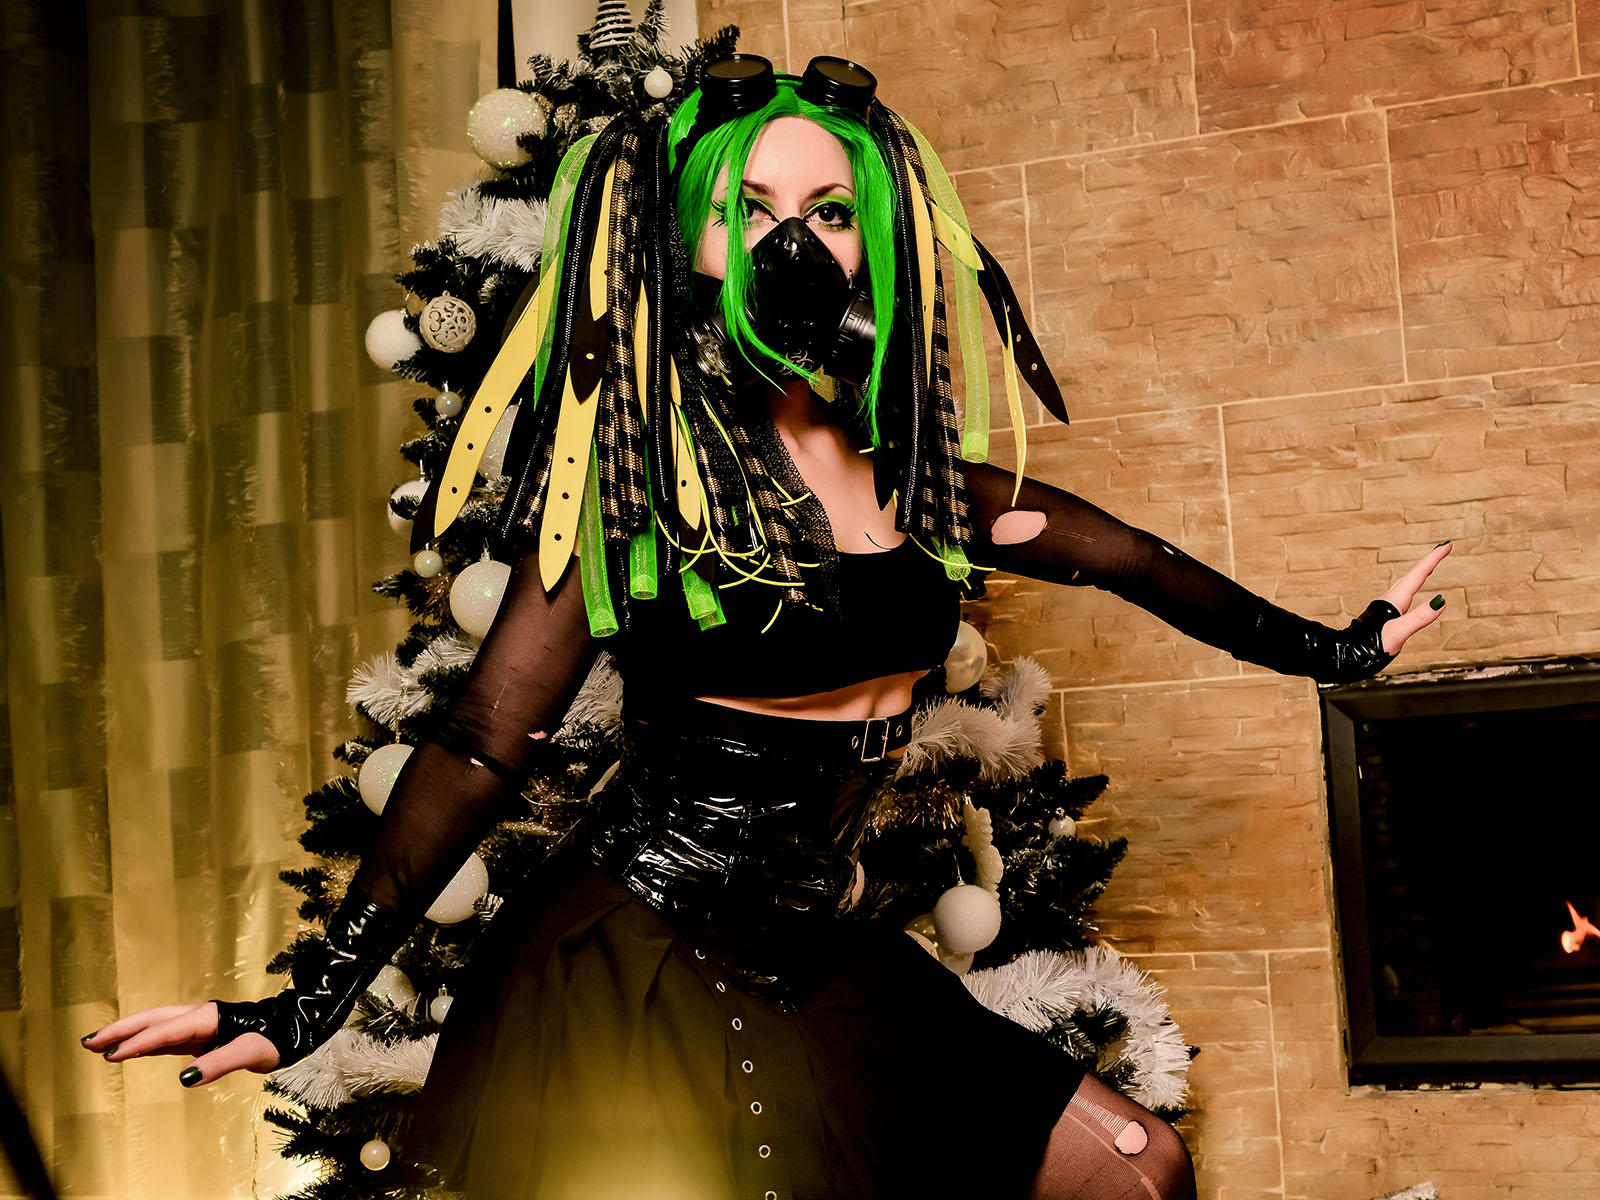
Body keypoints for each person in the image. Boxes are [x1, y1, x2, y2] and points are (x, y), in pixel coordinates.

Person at [80, 55, 1449, 1199]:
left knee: (1136, 1168)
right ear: (688, 242)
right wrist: (305, 1002)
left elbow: (1133, 561)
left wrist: (1338, 649)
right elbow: (484, 737)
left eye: (830, 210)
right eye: (749, 208)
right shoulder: (637, 498)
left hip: (819, 943)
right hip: (644, 949)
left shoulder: (924, 490)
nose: (796, 241)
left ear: (874, 244)